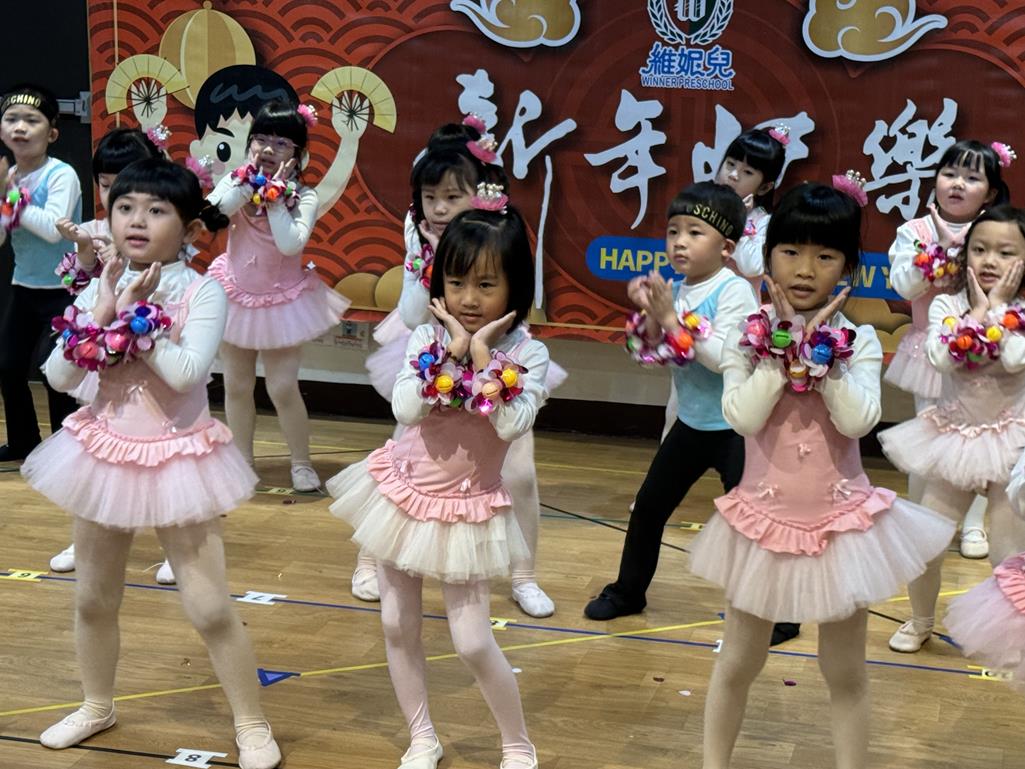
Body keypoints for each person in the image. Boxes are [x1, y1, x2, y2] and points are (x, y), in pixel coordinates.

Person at [21, 159, 281, 769]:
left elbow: (187, 374)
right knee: (93, 599)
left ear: (188, 229)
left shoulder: (201, 290)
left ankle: (252, 723)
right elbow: (58, 376)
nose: (137, 220)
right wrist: (103, 309)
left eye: (156, 210)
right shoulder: (101, 283)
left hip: (177, 456)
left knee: (209, 606)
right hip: (104, 452)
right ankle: (96, 704)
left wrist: (140, 321)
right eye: (125, 207)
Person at [690, 178, 955, 769]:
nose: (806, 269)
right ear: (768, 257)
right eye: (791, 251)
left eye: (826, 255)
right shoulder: (747, 338)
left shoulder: (858, 341)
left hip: (842, 527)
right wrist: (782, 353)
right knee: (738, 661)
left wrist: (822, 358)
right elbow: (741, 417)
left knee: (844, 670)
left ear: (847, 267)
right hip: (761, 524)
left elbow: (859, 422)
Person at [328, 195, 543, 769]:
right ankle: (422, 737)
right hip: (403, 496)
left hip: (468, 510)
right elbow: (406, 409)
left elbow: (513, 423)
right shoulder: (425, 341)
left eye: (486, 285)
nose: (469, 299)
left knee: (471, 640)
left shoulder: (530, 353)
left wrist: (483, 359)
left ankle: (517, 744)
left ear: (515, 289)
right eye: (456, 283)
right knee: (397, 623)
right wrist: (449, 357)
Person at [358, 120, 559, 618]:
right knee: (399, 458)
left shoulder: (500, 233)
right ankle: (370, 559)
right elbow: (412, 315)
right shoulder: (419, 232)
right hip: (435, 352)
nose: (440, 208)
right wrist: (419, 262)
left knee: (520, 473)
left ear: (484, 193)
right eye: (431, 197)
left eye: (453, 196)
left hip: (500, 357)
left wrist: (488, 351)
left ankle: (524, 575)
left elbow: (515, 302)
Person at [584, 181, 757, 621]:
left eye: (695, 232)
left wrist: (668, 317)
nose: (680, 241)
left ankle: (772, 613)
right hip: (692, 424)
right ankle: (627, 593)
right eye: (673, 231)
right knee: (648, 509)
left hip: (736, 428)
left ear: (727, 247)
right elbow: (648, 354)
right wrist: (649, 314)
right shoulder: (676, 291)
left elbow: (723, 360)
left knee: (751, 522)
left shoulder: (734, 290)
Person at [880, 204, 1025, 653]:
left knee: (1008, 554)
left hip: (1013, 442)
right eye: (979, 249)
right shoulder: (947, 303)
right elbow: (942, 357)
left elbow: (1015, 358)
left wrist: (998, 309)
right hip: (954, 438)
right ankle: (920, 619)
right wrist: (979, 313)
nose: (990, 261)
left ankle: (1012, 638)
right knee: (926, 545)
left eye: (1005, 252)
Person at [207, 99, 349, 491]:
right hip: (235, 295)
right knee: (236, 385)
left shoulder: (304, 197)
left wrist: (273, 198)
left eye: (282, 143)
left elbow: (290, 243)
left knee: (282, 387)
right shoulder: (235, 181)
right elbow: (215, 212)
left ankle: (301, 463)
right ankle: (242, 462)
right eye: (261, 139)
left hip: (281, 301)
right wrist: (248, 184)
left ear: (298, 155)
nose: (269, 148)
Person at [46, 127, 166, 577]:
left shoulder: (160, 226)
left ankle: (179, 544)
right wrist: (84, 249)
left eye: (125, 182)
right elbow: (78, 281)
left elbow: (169, 282)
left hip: (147, 348)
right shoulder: (96, 228)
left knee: (160, 454)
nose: (113, 193)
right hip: (101, 347)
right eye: (105, 183)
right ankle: (86, 540)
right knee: (95, 449)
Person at [885, 140, 1012, 560]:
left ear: (991, 193)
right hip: (931, 350)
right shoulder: (915, 231)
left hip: (986, 351)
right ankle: (923, 521)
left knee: (979, 439)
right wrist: (936, 256)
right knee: (929, 439)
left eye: (972, 178)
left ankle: (973, 524)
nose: (957, 184)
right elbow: (904, 287)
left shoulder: (995, 234)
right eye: (950, 173)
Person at [0, 83, 82, 461]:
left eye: (31, 120)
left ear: (52, 133)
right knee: (8, 366)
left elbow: (53, 229)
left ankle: (65, 450)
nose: (20, 127)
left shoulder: (61, 175)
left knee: (55, 373)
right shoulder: (9, 177)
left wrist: (10, 197)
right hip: (24, 286)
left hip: (64, 289)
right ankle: (23, 442)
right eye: (11, 119)